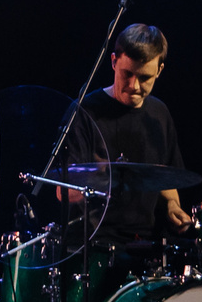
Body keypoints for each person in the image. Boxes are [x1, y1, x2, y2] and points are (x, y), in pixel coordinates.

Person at [75, 24, 195, 244]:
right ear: (113, 61)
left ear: (159, 70)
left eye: (145, 78)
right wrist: (105, 177)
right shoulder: (84, 113)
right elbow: (65, 191)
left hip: (149, 245)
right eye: (127, 74)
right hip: (96, 243)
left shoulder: (159, 114)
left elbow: (167, 178)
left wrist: (172, 206)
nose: (134, 86)